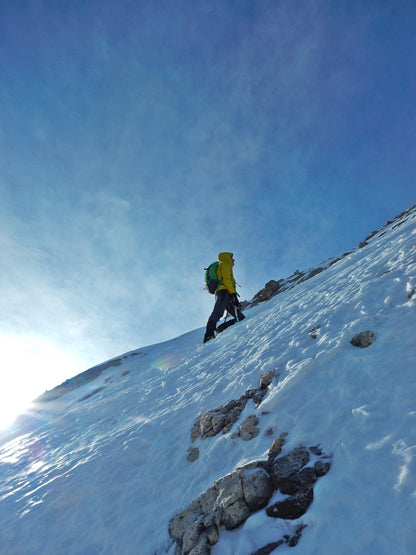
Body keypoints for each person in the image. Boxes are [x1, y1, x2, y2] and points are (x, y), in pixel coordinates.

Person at [203, 252, 245, 343]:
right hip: (224, 291)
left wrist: (233, 295)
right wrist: (232, 293)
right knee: (218, 312)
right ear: (226, 258)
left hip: (225, 292)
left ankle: (221, 328)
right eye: (231, 258)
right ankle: (208, 335)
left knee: (239, 317)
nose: (233, 260)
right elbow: (227, 279)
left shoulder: (226, 265)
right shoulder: (225, 264)